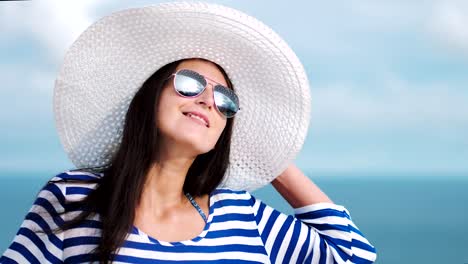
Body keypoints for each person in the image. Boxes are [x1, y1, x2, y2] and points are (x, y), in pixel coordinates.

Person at [0, 2, 377, 264]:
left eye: (225, 99)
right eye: (190, 82)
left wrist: (270, 154)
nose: (209, 100)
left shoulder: (240, 214)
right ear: (150, 97)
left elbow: (351, 255)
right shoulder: (76, 195)